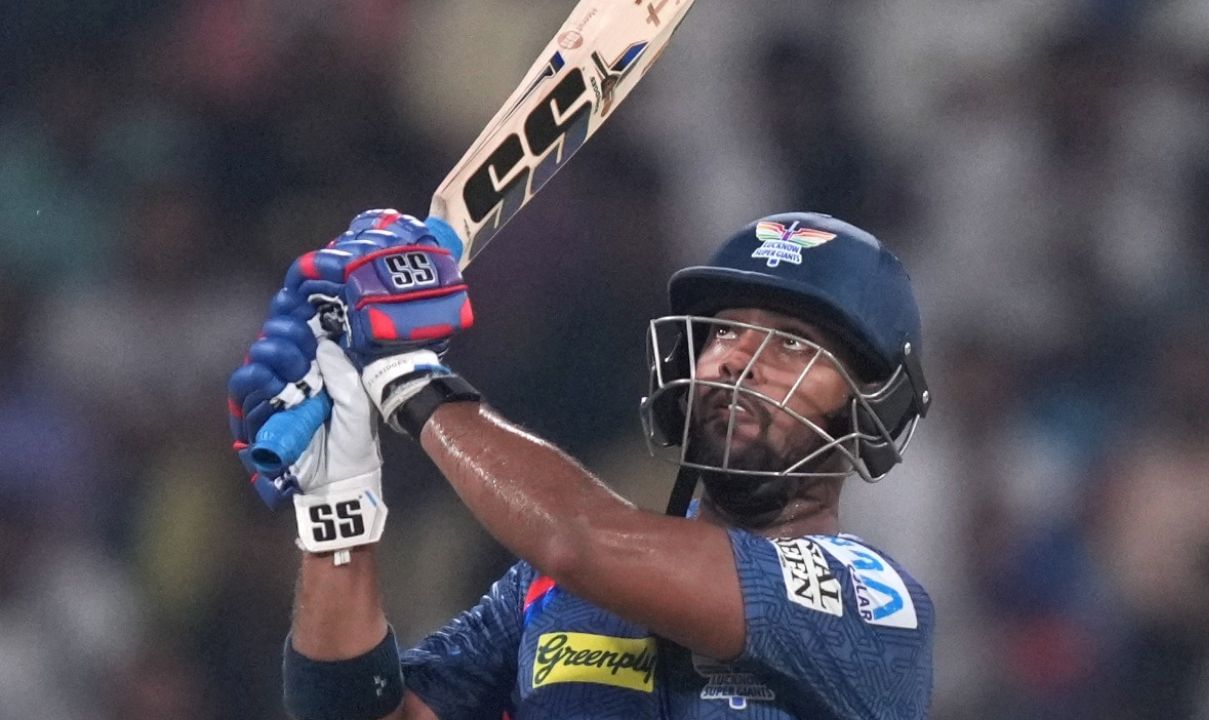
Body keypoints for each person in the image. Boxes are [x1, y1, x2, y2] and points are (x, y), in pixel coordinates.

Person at [227, 209, 935, 719]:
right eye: (724, 330)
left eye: (793, 343)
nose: (737, 360)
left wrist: (409, 378)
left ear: (871, 404)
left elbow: (580, 539)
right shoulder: (545, 589)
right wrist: (337, 502)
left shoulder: (876, 607)